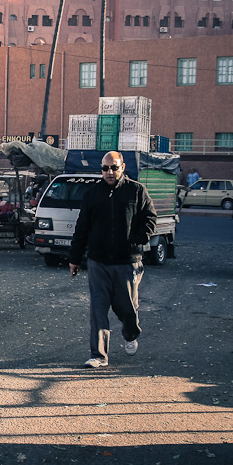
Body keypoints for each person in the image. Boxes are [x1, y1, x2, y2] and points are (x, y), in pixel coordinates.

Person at [68, 151, 157, 369]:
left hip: (127, 262)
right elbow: (82, 227)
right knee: (98, 308)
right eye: (105, 168)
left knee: (126, 308)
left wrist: (136, 240)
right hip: (98, 262)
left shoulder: (136, 191)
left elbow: (150, 218)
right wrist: (75, 258)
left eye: (114, 168)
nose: (109, 172)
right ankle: (98, 355)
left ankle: (130, 332)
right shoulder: (92, 194)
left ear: (122, 168)